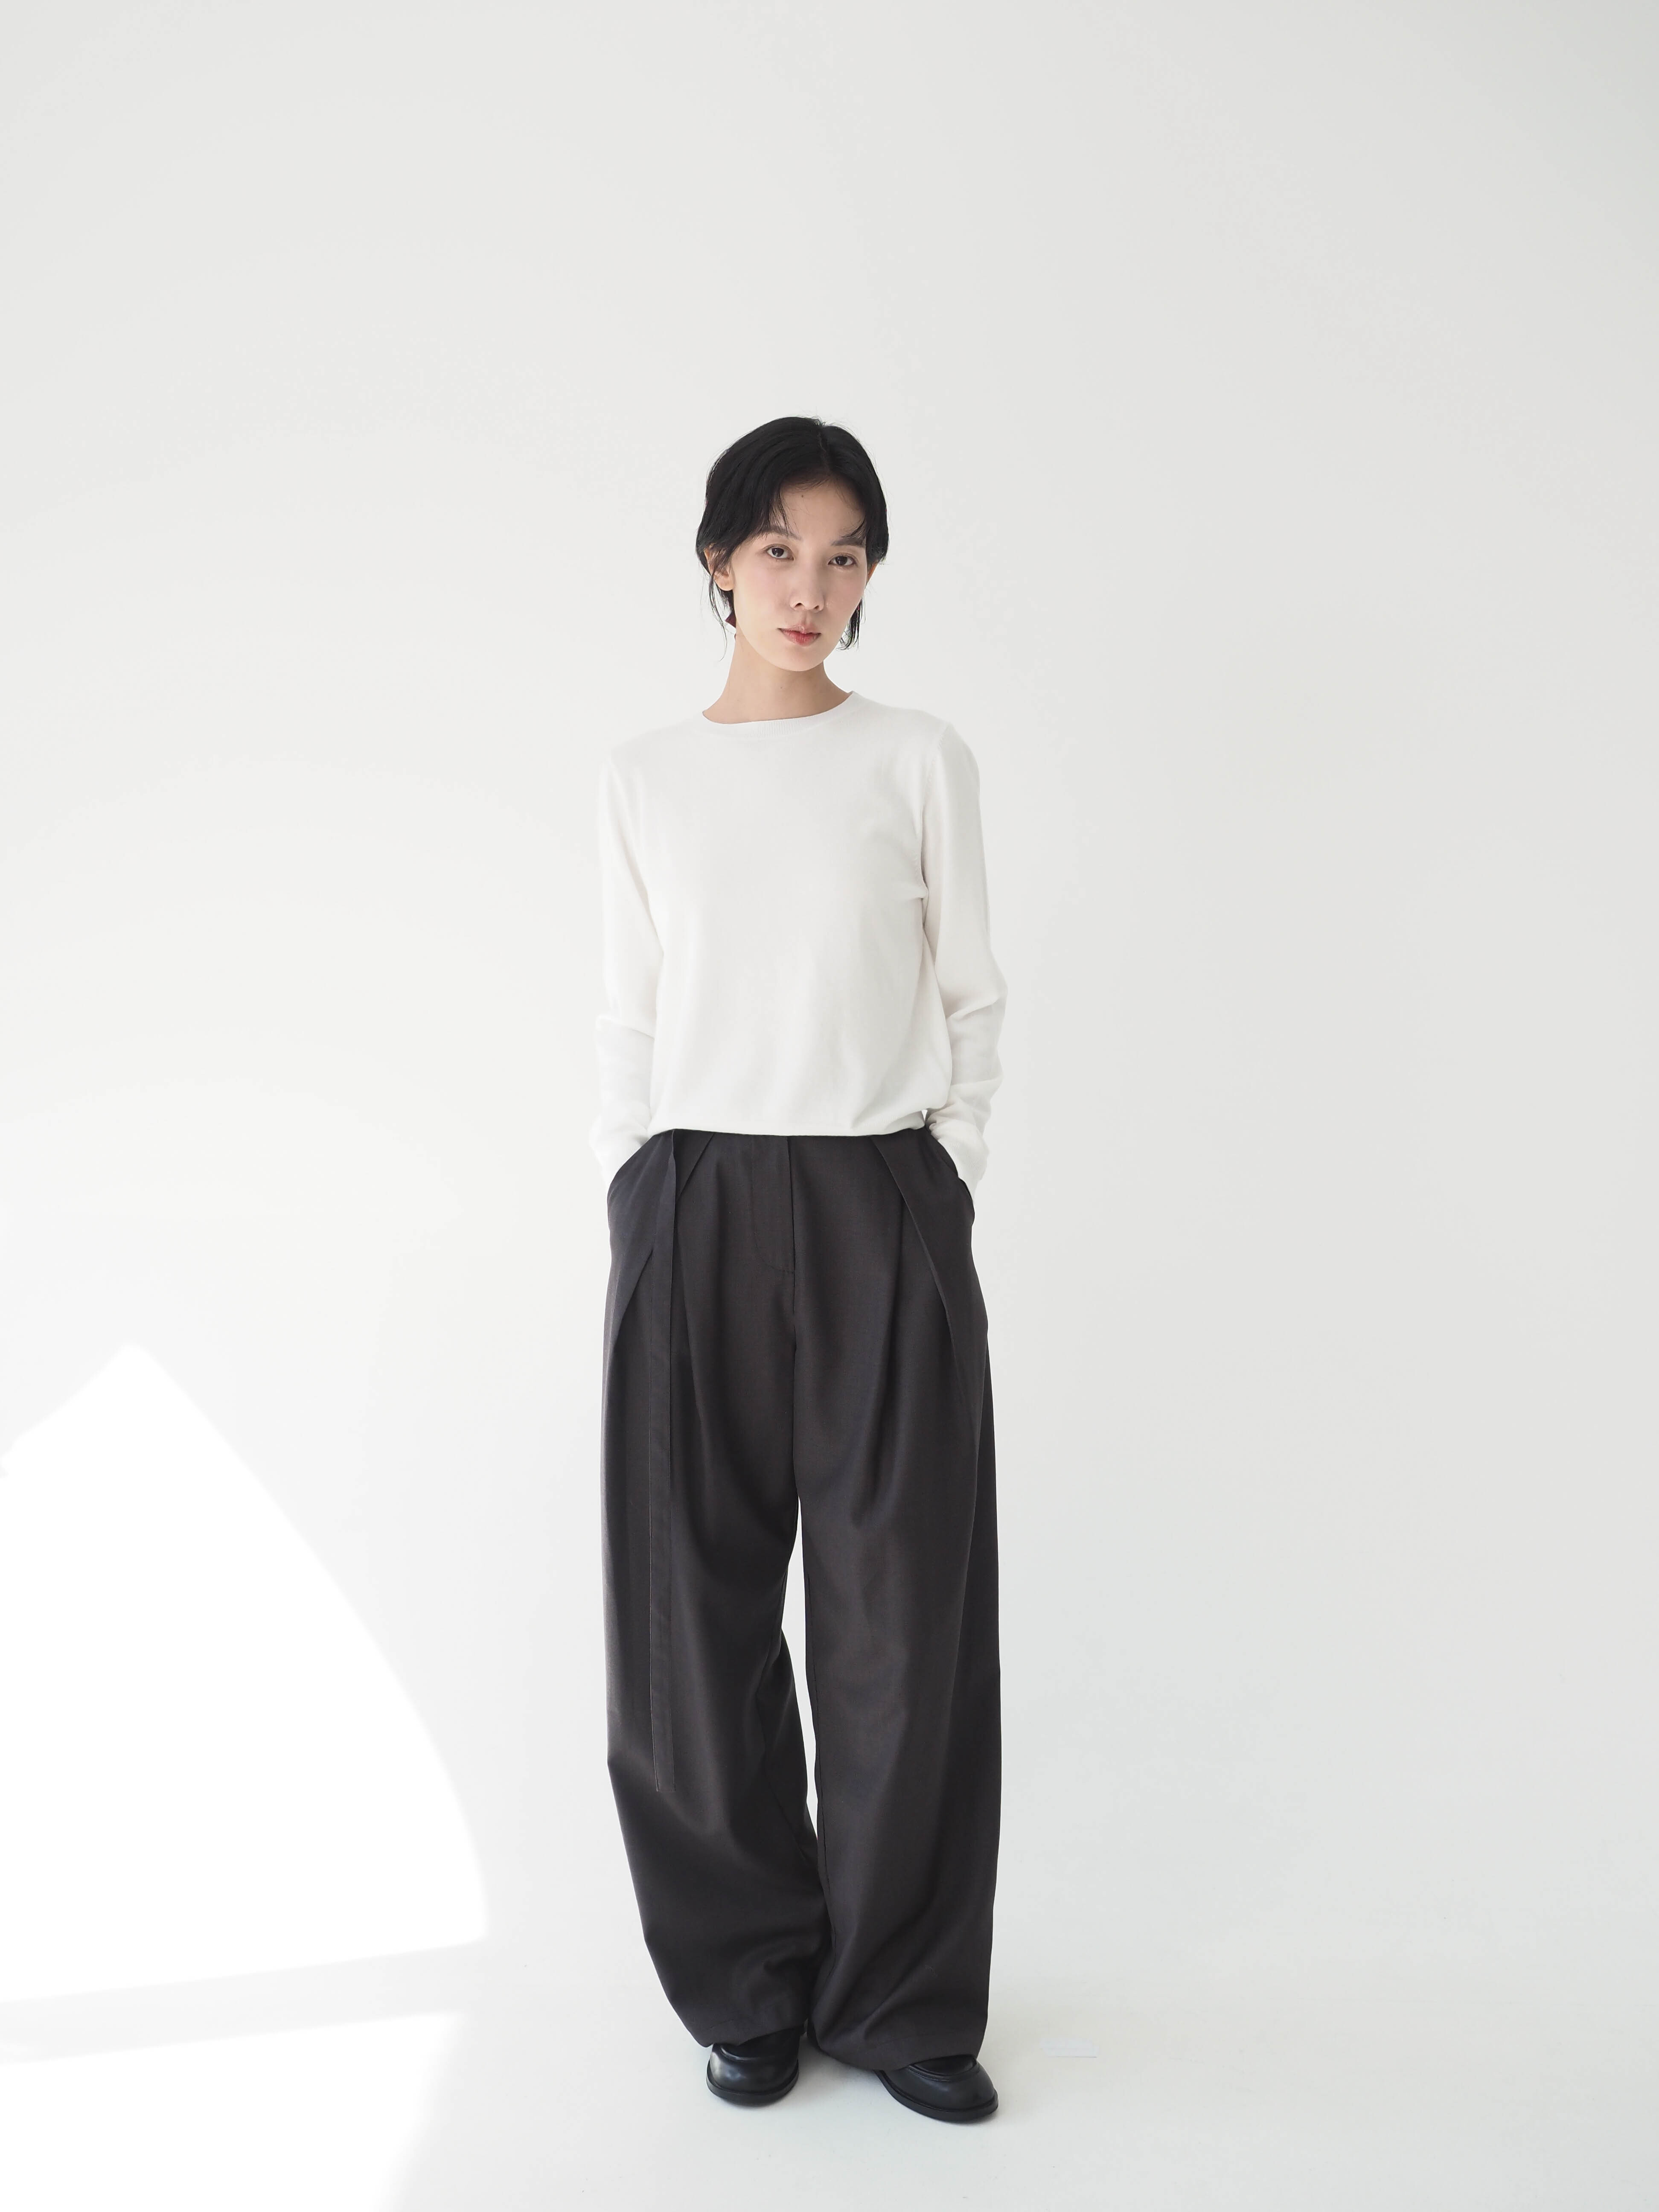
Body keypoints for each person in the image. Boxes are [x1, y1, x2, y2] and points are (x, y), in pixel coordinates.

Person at [590, 416, 1006, 2124]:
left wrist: (942, 1174)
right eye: (776, 550)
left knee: (905, 1620)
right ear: (717, 563)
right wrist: (639, 1185)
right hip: (692, 1189)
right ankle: (749, 1982)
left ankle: (901, 1999)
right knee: (687, 1621)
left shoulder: (915, 757)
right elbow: (627, 1011)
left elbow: (971, 989)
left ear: (871, 574)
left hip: (877, 1191)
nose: (808, 586)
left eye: (843, 555)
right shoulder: (644, 777)